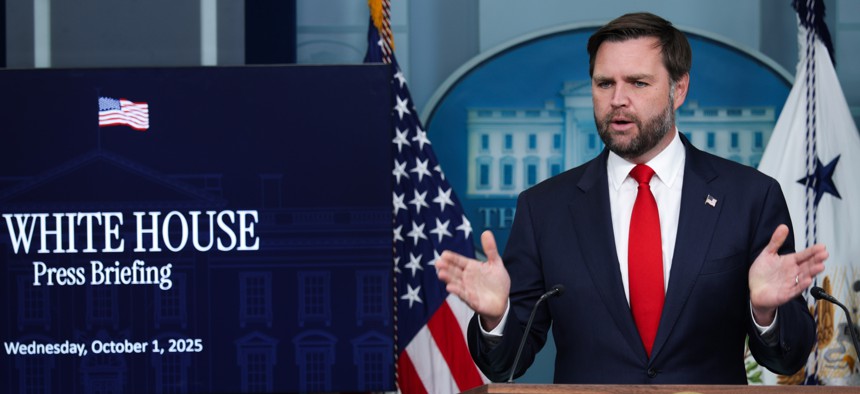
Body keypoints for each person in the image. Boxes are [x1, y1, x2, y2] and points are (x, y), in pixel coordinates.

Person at [435, 12, 828, 384]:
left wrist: (765, 312)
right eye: (605, 83)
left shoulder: (750, 197)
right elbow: (507, 363)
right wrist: (495, 319)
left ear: (679, 89)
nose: (617, 99)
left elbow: (787, 358)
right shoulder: (544, 209)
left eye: (638, 83)